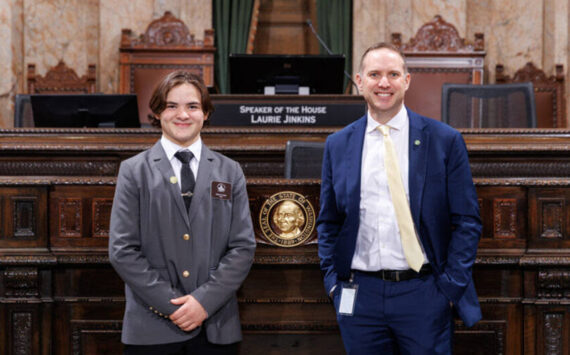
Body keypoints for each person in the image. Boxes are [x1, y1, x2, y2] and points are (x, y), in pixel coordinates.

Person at [317, 42, 482, 354]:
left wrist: (448, 288)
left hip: (423, 293)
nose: (384, 83)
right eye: (375, 74)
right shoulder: (338, 144)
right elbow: (328, 222)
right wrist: (334, 285)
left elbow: (467, 221)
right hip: (359, 295)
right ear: (359, 81)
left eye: (393, 74)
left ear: (407, 81)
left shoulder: (444, 141)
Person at [108, 71, 256, 355]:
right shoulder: (134, 171)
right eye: (172, 105)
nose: (182, 115)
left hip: (216, 326)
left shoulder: (229, 171)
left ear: (205, 113)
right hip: (151, 327)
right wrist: (172, 306)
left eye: (192, 106)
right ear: (157, 112)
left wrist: (203, 302)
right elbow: (122, 250)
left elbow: (243, 247)